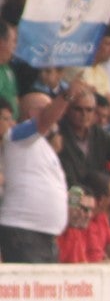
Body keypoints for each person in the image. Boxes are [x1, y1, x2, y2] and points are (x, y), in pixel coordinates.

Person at [0, 90, 74, 263]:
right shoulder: (15, 136)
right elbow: (44, 121)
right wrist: (67, 95)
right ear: (33, 114)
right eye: (49, 108)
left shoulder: (43, 145)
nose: (12, 123)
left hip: (44, 235)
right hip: (24, 232)